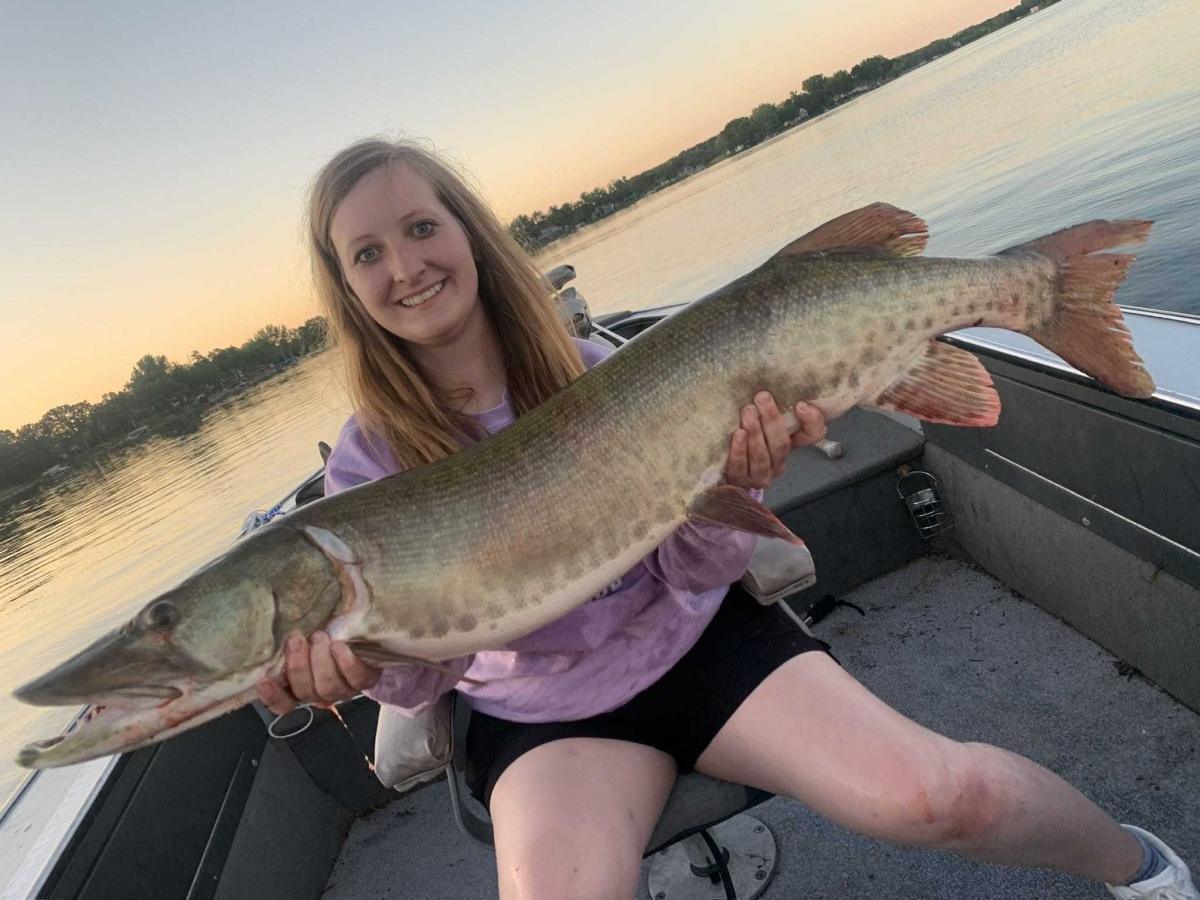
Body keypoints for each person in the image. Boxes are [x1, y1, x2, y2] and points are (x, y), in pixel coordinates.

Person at [257, 137, 1196, 900]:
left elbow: (697, 569)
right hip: (543, 719)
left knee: (943, 797)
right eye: (367, 253)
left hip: (697, 642)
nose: (406, 266)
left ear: (468, 234)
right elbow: (426, 680)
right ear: (346, 287)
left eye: (422, 227)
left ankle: (1141, 867)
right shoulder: (365, 466)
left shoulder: (593, 369)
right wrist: (365, 667)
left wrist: (745, 480)